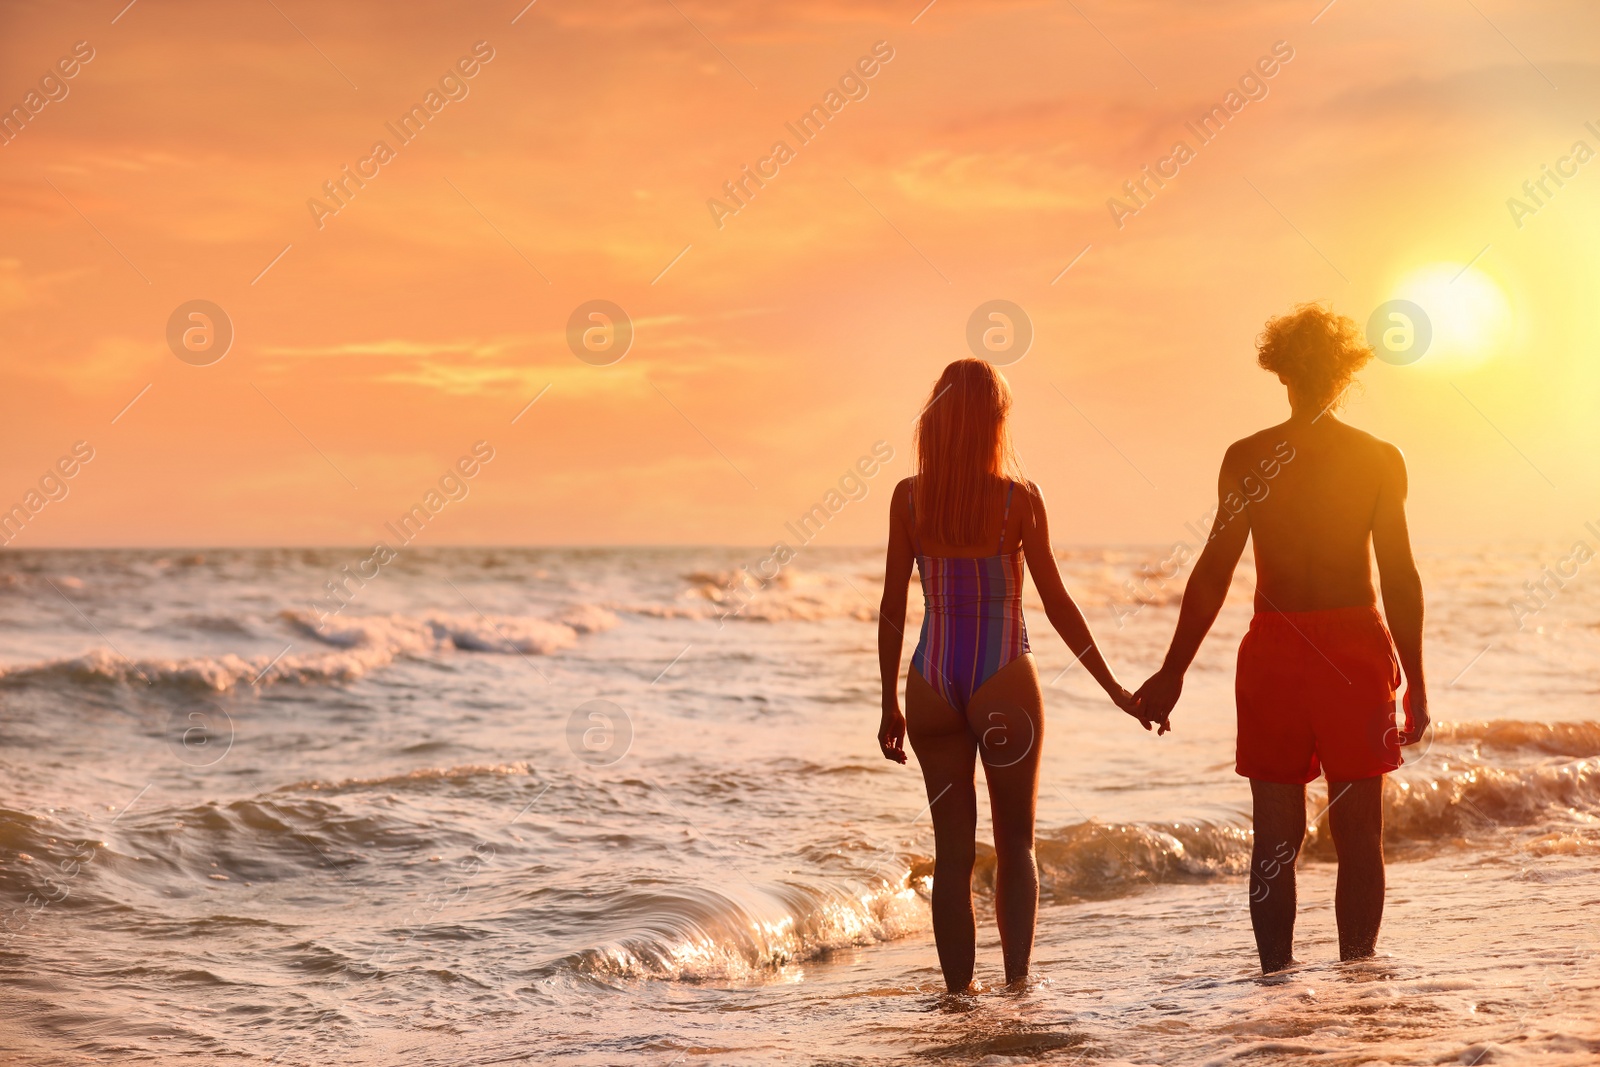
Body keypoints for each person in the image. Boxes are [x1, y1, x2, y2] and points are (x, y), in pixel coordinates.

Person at [1134, 303, 1429, 974]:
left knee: (1275, 839)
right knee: (1359, 837)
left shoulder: (1247, 456)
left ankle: (1276, 983)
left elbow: (1213, 571)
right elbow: (1401, 578)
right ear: (1345, 374)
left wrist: (1173, 670)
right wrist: (1418, 683)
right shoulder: (1379, 459)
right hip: (1354, 649)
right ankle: (1356, 978)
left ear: (1281, 373)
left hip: (1274, 650)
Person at [875, 358, 1154, 994]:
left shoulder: (909, 498)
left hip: (932, 681)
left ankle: (958, 1000)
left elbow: (894, 605)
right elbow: (1057, 604)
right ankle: (1019, 988)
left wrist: (889, 700)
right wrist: (1116, 691)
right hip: (1003, 676)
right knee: (1016, 846)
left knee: (952, 856)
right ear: (996, 421)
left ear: (936, 418)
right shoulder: (1019, 500)